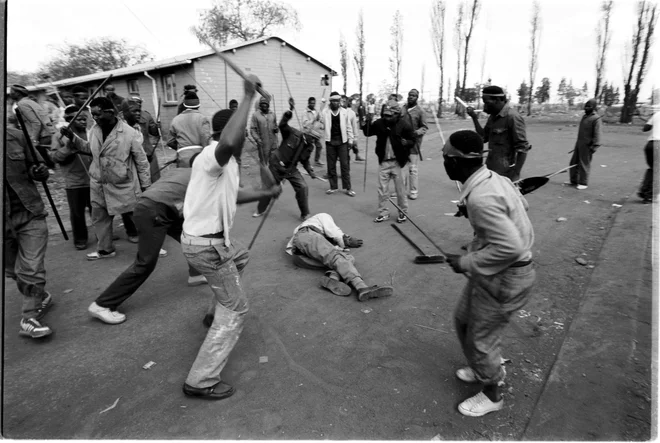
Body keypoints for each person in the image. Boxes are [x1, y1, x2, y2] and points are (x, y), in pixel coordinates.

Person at [180, 74, 282, 400]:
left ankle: (214, 313)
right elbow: (227, 143)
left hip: (211, 244)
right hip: (206, 247)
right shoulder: (213, 155)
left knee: (241, 255)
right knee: (237, 309)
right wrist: (248, 96)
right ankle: (201, 380)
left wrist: (267, 191)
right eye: (242, 134)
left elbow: (233, 196)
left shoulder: (227, 166)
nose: (246, 140)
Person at [442, 130, 535, 417]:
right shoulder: (492, 179)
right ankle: (480, 367)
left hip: (507, 278)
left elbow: (513, 246)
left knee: (480, 340)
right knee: (463, 321)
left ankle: (493, 393)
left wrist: (465, 262)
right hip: (494, 273)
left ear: (456, 162)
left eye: (445, 157)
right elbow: (522, 205)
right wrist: (472, 214)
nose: (443, 162)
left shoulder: (482, 196)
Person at [87, 155, 212, 325]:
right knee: (145, 263)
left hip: (154, 206)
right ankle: (102, 304)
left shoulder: (180, 171)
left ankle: (196, 274)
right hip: (154, 211)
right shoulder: (204, 179)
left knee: (191, 238)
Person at [61, 97, 151, 260]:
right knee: (99, 217)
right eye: (92, 115)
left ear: (110, 113)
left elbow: (141, 161)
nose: (94, 118)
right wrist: (73, 138)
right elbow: (91, 149)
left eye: (98, 114)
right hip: (99, 182)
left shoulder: (129, 133)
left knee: (137, 217)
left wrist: (145, 185)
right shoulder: (95, 130)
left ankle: (152, 248)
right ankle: (105, 250)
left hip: (123, 183)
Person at [5, 114, 54, 339]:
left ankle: (29, 316)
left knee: (31, 267)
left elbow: (38, 165)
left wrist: (40, 171)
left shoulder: (16, 136)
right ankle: (40, 296)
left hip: (29, 212)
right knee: (13, 271)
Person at [286, 213, 394, 301]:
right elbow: (334, 232)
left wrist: (340, 249)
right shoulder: (323, 216)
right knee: (336, 258)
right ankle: (361, 287)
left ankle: (332, 279)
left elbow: (324, 247)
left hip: (302, 258)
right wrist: (345, 239)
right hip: (305, 238)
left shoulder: (317, 235)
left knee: (347, 258)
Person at [254, 97, 319, 221]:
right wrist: (289, 111)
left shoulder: (310, 146)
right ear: (308, 133)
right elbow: (282, 124)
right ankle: (261, 209)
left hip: (291, 168)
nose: (314, 141)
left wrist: (310, 171)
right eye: (313, 138)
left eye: (315, 139)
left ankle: (305, 213)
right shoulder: (293, 133)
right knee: (271, 189)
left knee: (302, 187)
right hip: (277, 164)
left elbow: (304, 160)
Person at [362, 99, 415, 223]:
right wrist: (367, 120)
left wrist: (406, 142)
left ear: (397, 114)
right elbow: (367, 132)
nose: (387, 118)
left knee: (400, 190)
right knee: (382, 189)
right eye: (385, 115)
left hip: (399, 162)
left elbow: (413, 140)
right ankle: (383, 212)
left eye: (390, 115)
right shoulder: (380, 123)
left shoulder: (405, 124)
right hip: (384, 162)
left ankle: (403, 212)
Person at [466, 86, 531, 182]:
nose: (485, 107)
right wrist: (474, 118)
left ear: (497, 100)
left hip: (506, 173)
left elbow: (522, 149)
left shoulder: (512, 117)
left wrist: (516, 173)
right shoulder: (493, 117)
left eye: (487, 103)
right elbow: (483, 137)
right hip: (491, 169)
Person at [50, 105, 93, 250]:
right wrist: (68, 148)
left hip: (93, 179)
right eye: (78, 119)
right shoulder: (59, 136)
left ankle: (103, 235)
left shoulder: (90, 133)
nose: (82, 122)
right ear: (70, 120)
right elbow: (55, 157)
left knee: (98, 210)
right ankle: (80, 239)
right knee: (77, 213)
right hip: (74, 182)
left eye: (84, 119)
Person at [9, 84, 56, 168]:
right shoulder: (29, 102)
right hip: (46, 133)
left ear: (18, 93)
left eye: (12, 92)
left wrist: (34, 140)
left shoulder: (22, 104)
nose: (10, 94)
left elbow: (36, 122)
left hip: (42, 135)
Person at [321, 92, 355, 196]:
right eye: (333, 101)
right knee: (331, 166)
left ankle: (348, 188)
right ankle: (333, 187)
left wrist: (350, 140)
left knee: (344, 165)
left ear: (339, 102)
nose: (335, 103)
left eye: (337, 101)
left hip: (342, 142)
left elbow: (349, 127)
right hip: (330, 142)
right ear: (330, 102)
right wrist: (322, 104)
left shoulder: (344, 112)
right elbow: (320, 119)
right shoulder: (325, 112)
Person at [120, 98, 162, 183]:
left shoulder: (146, 116)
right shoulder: (119, 123)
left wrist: (157, 128)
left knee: (153, 182)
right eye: (134, 111)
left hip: (148, 154)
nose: (138, 113)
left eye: (138, 110)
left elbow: (155, 133)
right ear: (126, 111)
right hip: (130, 161)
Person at [564, 99, 602, 190]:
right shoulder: (585, 116)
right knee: (573, 162)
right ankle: (573, 180)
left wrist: (595, 146)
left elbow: (597, 134)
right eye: (586, 106)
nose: (586, 108)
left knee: (584, 164)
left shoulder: (596, 118)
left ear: (593, 107)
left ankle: (583, 182)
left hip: (588, 145)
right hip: (579, 144)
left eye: (589, 106)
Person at [167, 92, 212, 168]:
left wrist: (181, 147)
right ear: (198, 105)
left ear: (184, 105)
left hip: (183, 157)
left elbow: (170, 141)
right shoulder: (203, 119)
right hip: (200, 156)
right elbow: (206, 139)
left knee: (185, 179)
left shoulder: (176, 120)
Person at [402, 89, 428, 200]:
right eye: (409, 95)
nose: (410, 97)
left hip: (413, 143)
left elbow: (424, 127)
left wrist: (416, 132)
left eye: (413, 95)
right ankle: (401, 190)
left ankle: (413, 190)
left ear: (417, 97)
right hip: (402, 142)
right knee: (401, 167)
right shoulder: (403, 108)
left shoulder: (420, 111)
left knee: (412, 168)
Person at [250, 96, 279, 165]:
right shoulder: (255, 115)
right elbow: (252, 129)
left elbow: (275, 125)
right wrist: (257, 139)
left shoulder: (272, 114)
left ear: (268, 105)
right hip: (263, 144)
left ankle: (272, 175)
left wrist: (276, 129)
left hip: (273, 144)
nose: (264, 105)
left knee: (274, 163)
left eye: (266, 104)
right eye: (262, 104)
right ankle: (264, 175)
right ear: (260, 105)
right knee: (264, 164)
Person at [638, 111, 659, 203]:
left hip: (650, 145)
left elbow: (645, 128)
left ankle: (644, 190)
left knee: (652, 169)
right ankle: (649, 195)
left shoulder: (657, 114)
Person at [302, 96, 325, 167]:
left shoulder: (316, 111)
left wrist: (320, 119)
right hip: (308, 132)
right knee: (309, 148)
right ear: (308, 103)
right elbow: (305, 124)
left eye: (314, 103)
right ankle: (306, 163)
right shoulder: (305, 112)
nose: (313, 105)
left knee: (319, 146)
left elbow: (320, 120)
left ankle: (317, 160)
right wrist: (313, 119)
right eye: (311, 103)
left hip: (315, 133)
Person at [342, 95, 364, 162]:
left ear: (347, 102)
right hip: (339, 137)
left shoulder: (351, 113)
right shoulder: (336, 111)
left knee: (347, 154)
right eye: (341, 101)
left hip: (348, 136)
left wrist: (355, 137)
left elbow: (354, 126)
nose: (342, 103)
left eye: (344, 101)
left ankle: (356, 156)